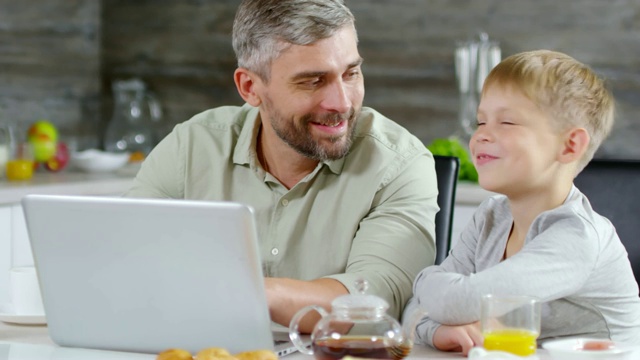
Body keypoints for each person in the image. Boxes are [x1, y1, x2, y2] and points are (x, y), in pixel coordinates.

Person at [125, 0, 438, 331]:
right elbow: (125, 261)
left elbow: (375, 300)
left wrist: (245, 292)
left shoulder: (399, 165)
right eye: (312, 81)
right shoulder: (189, 149)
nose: (342, 103)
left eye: (351, 73)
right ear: (250, 87)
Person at [403, 50, 640, 355]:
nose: (482, 136)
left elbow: (455, 301)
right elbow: (414, 312)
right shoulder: (490, 216)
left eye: (507, 123)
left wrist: (424, 279)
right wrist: (438, 331)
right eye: (480, 121)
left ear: (569, 146)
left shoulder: (577, 237)